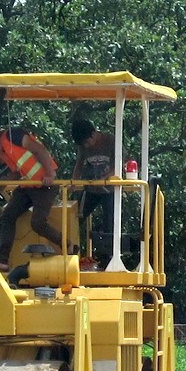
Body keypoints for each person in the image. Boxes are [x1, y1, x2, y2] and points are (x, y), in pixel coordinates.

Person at [0, 125, 63, 268]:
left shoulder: (12, 136)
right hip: (28, 186)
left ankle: (67, 245)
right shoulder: (5, 152)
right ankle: (2, 260)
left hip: (45, 186)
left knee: (38, 223)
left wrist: (50, 174)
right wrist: (2, 183)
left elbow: (40, 149)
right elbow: (17, 172)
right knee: (7, 216)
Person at [70, 110, 118, 266]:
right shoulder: (83, 147)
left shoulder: (111, 141)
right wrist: (74, 181)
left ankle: (108, 259)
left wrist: (107, 177)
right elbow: (79, 164)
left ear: (93, 134)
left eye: (86, 142)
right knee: (75, 217)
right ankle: (70, 251)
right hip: (91, 190)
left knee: (109, 223)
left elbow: (120, 163)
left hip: (109, 191)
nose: (86, 146)